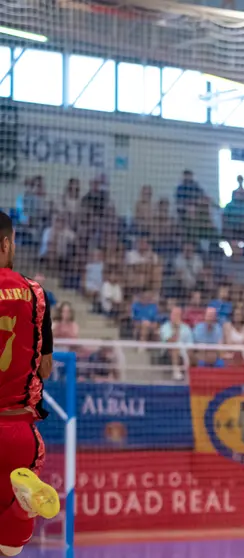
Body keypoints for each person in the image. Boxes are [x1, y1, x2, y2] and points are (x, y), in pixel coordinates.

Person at [0, 210, 61, 557]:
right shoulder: (35, 293)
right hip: (16, 428)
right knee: (8, 548)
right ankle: (24, 507)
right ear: (7, 243)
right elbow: (45, 368)